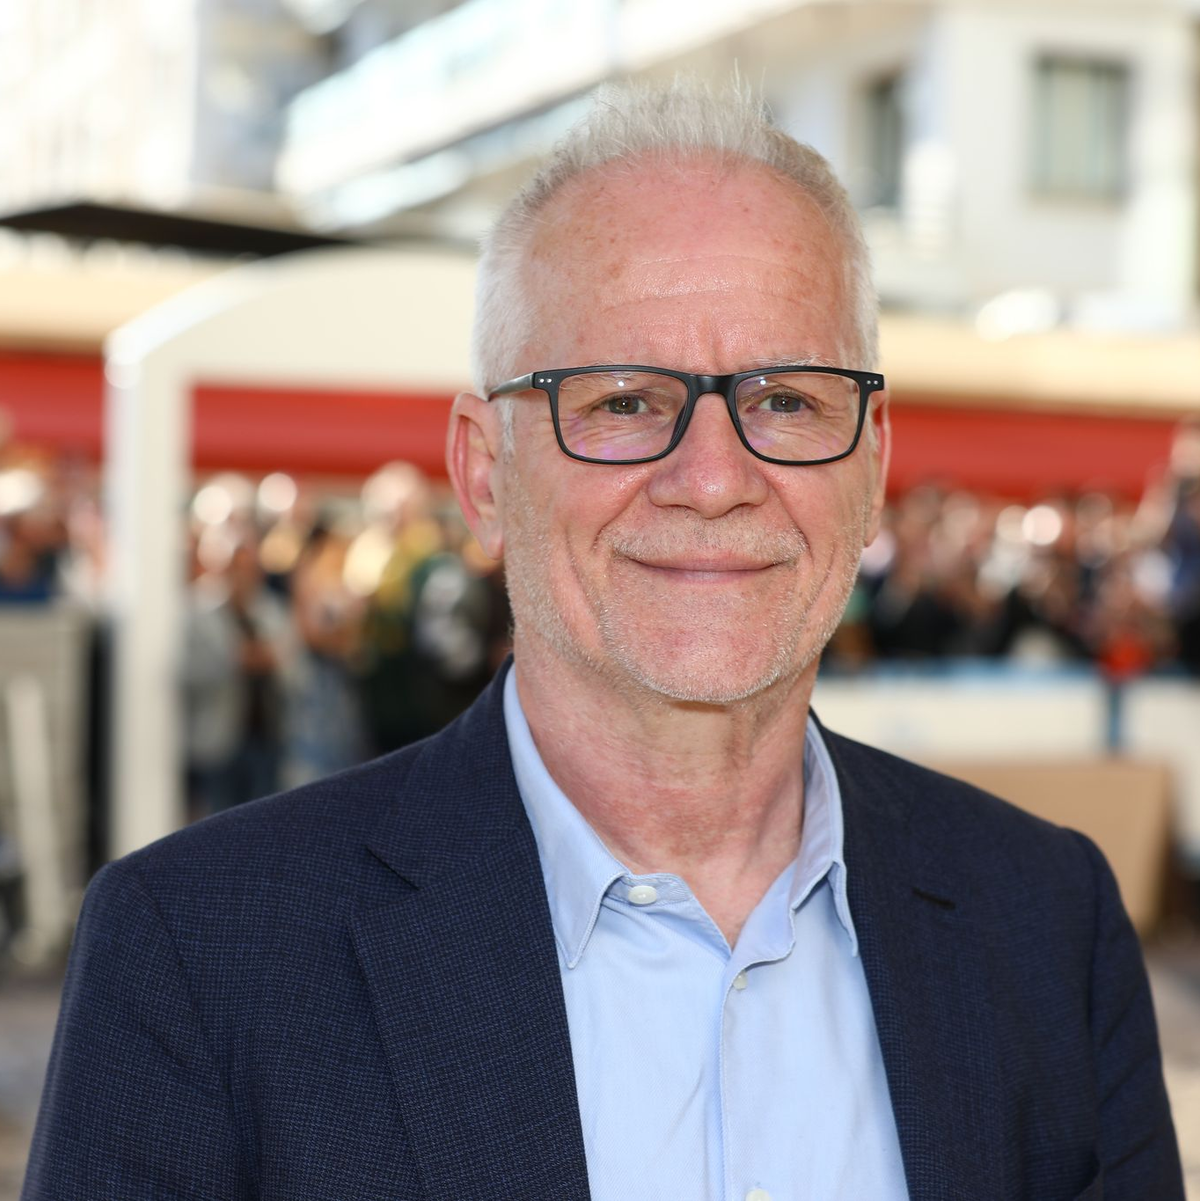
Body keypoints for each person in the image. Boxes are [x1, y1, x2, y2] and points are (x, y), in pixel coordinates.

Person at [24, 79, 1182, 1201]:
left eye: (787, 399)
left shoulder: (1048, 924)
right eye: (624, 400)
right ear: (485, 474)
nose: (717, 478)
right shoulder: (199, 957)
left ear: (872, 464)